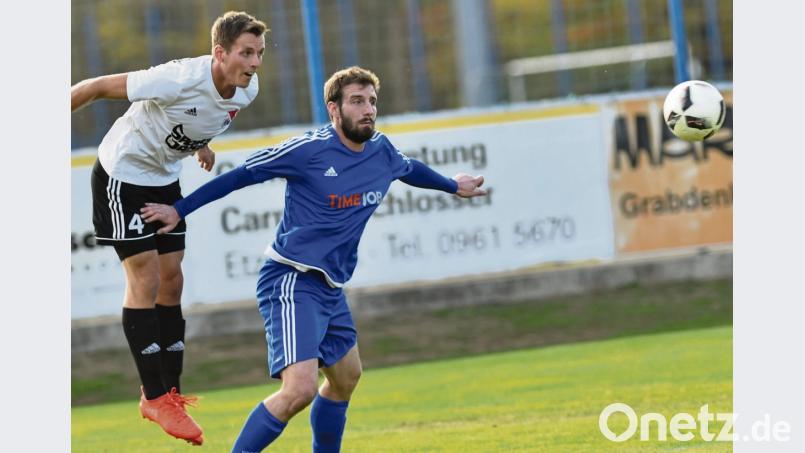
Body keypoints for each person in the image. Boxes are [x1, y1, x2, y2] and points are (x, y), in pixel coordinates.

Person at [140, 66, 487, 452]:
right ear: (334, 109)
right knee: (299, 390)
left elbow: (410, 170)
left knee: (347, 378)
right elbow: (240, 176)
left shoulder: (382, 151)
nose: (368, 109)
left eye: (372, 101)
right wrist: (180, 209)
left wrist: (453, 186)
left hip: (330, 286)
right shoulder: (309, 150)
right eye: (357, 101)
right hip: (291, 279)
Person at [70, 11, 268, 446]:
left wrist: (203, 144)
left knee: (173, 280)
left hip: (163, 179)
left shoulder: (246, 90)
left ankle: (169, 393)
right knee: (146, 275)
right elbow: (96, 87)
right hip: (122, 174)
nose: (254, 63)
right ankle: (154, 396)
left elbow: (201, 116)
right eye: (246, 53)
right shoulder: (177, 78)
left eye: (259, 53)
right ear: (220, 53)